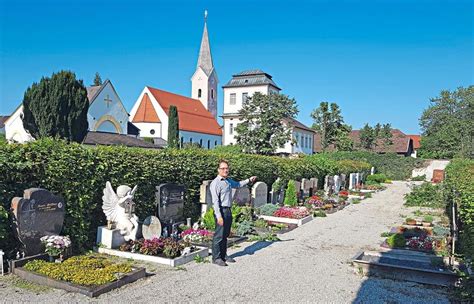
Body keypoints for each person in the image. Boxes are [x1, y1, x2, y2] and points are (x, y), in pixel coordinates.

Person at [209, 159, 257, 266]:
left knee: (225, 235)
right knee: (219, 236)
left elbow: (238, 184)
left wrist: (249, 180)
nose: (225, 170)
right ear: (218, 170)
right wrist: (219, 216)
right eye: (223, 168)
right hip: (220, 211)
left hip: (228, 210)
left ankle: (223, 255)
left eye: (227, 168)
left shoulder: (228, 181)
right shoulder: (215, 183)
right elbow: (215, 201)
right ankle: (216, 258)